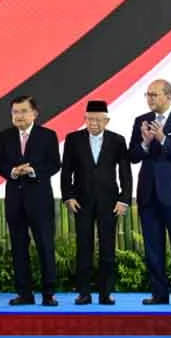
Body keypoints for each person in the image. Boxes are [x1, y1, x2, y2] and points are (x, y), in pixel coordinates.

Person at [129, 79, 171, 307]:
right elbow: (133, 156)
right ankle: (159, 293)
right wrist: (146, 143)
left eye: (154, 94)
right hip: (149, 194)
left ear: (169, 96)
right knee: (153, 248)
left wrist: (163, 139)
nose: (150, 99)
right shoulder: (141, 121)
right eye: (148, 94)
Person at [61, 100, 132, 305]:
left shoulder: (117, 140)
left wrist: (124, 199)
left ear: (106, 121)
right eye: (89, 119)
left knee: (108, 248)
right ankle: (83, 293)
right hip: (81, 201)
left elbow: (125, 172)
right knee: (83, 247)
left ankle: (105, 293)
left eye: (98, 120)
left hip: (109, 202)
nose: (93, 123)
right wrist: (68, 196)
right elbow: (66, 170)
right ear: (85, 119)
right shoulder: (73, 139)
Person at [0, 95, 60, 306]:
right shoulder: (5, 136)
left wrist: (33, 171)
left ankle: (48, 293)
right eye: (15, 112)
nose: (19, 116)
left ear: (34, 114)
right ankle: (24, 293)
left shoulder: (47, 135)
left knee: (45, 246)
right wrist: (12, 171)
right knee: (18, 247)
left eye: (23, 111)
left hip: (40, 200)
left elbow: (54, 164)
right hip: (15, 200)